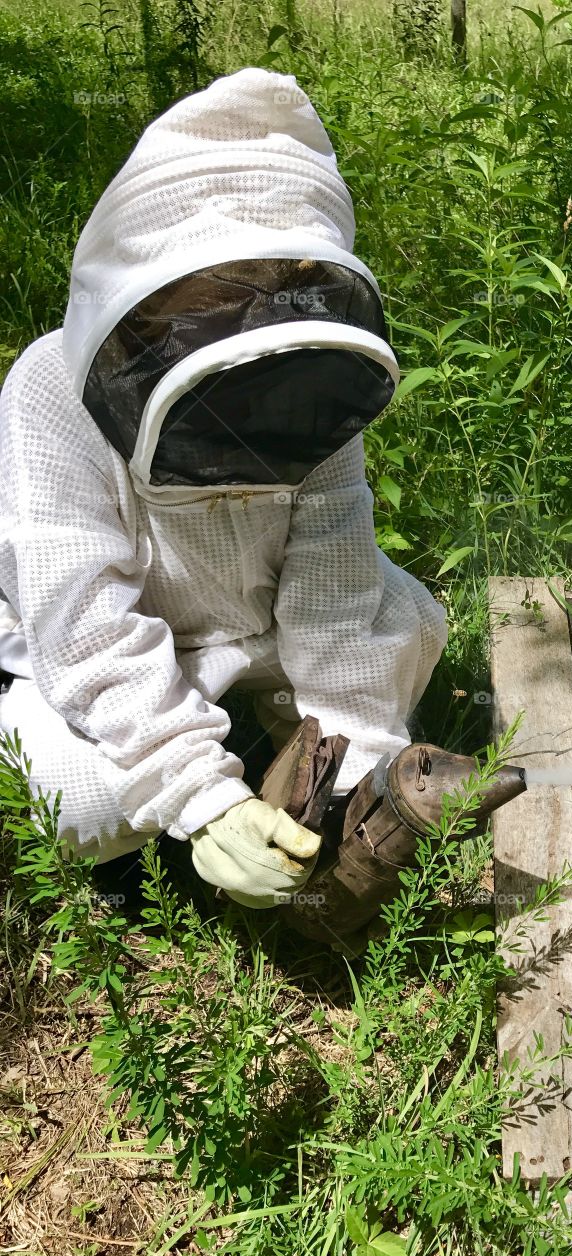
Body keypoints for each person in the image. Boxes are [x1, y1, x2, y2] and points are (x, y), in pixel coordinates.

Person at [0, 67, 448, 910]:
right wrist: (204, 801)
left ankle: (299, 769)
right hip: (111, 645)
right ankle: (184, 782)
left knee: (410, 621)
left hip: (254, 634)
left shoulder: (310, 389)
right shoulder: (48, 392)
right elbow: (85, 622)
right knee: (67, 790)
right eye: (210, 308)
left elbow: (333, 592)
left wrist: (346, 780)